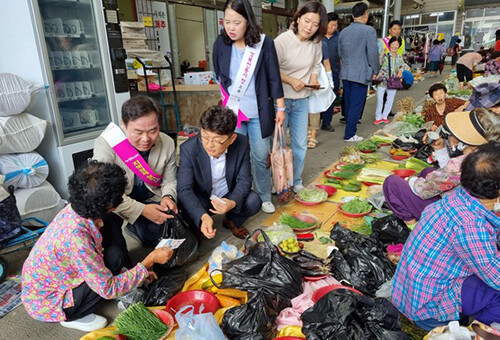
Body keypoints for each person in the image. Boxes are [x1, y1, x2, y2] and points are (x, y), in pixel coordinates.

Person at [21, 161, 174, 331]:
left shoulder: (78, 208)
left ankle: (123, 277)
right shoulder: (77, 238)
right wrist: (148, 261)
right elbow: (107, 289)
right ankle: (73, 316)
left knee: (114, 250)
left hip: (55, 276)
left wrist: (136, 273)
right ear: (111, 205)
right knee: (112, 267)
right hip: (49, 301)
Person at [392, 141, 500, 331]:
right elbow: (496, 277)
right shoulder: (470, 225)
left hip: (413, 293)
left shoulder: (459, 197)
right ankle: (478, 332)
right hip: (428, 311)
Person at [213, 0, 285, 214]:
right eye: (227, 22)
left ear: (248, 22)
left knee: (261, 156)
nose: (231, 27)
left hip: (258, 112)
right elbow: (219, 74)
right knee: (235, 156)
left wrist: (281, 108)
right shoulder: (221, 43)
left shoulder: (264, 43)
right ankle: (239, 196)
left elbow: (274, 77)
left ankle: (263, 195)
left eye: (237, 22)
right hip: (233, 113)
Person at [93, 96, 178, 263]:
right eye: (138, 132)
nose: (146, 139)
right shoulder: (106, 143)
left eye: (153, 131)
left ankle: (136, 227)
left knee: (161, 238)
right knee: (118, 254)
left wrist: (168, 196)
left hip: (150, 196)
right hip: (116, 203)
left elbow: (170, 180)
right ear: (123, 125)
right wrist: (141, 211)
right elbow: (104, 191)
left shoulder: (167, 142)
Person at [383, 108, 500, 225]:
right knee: (428, 171)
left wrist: (410, 180)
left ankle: (412, 226)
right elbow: (450, 176)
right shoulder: (491, 157)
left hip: (454, 219)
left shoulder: (465, 163)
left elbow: (422, 189)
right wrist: (441, 149)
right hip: (469, 210)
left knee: (392, 183)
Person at [177, 106, 261, 239]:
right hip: (203, 196)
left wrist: (231, 202)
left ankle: (231, 220)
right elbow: (184, 189)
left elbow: (244, 180)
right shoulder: (188, 149)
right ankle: (199, 226)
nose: (209, 145)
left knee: (254, 201)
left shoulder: (241, 143)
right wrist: (202, 216)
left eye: (217, 140)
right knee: (186, 204)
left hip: (227, 193)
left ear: (231, 139)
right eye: (205, 137)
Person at [274, 1, 327, 191]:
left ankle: (296, 181)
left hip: (302, 99)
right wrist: (290, 80)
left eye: (315, 24)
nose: (309, 27)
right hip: (281, 100)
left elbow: (315, 64)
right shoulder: (282, 41)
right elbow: (271, 70)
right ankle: (278, 180)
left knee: (300, 144)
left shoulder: (316, 43)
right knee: (278, 144)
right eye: (306, 21)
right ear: (297, 18)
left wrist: (313, 80)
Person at [338, 2, 379, 142]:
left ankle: (349, 131)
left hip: (346, 72)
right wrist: (375, 70)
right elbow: (373, 53)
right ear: (366, 15)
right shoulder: (369, 31)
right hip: (360, 73)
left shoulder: (343, 31)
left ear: (352, 15)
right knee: (357, 104)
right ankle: (349, 134)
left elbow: (340, 53)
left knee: (349, 103)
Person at [374, 36, 409, 125]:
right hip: (382, 81)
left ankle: (385, 116)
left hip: (393, 81)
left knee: (390, 99)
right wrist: (382, 53)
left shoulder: (399, 57)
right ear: (390, 45)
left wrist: (401, 70)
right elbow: (379, 62)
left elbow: (405, 65)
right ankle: (378, 117)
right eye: (393, 44)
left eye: (396, 44)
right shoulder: (385, 55)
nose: (394, 46)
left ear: (399, 46)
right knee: (379, 99)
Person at [308, 39, 333, 149]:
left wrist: (330, 80)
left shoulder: (322, 44)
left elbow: (326, 62)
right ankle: (308, 131)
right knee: (304, 106)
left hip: (318, 76)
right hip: (302, 75)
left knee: (314, 106)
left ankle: (313, 135)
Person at [320, 12, 341, 131]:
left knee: (331, 98)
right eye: (331, 25)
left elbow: (341, 56)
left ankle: (326, 122)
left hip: (334, 72)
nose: (334, 28)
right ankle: (315, 122)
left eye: (335, 25)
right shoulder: (318, 36)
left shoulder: (339, 37)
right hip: (318, 74)